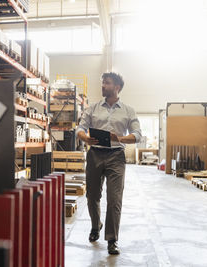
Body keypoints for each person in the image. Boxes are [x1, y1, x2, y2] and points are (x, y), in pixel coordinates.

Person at [77, 72, 142, 255]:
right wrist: (85, 138)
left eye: (107, 83)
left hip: (116, 156)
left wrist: (119, 138)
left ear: (117, 87)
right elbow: (81, 128)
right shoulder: (93, 108)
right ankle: (96, 225)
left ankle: (112, 239)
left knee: (114, 199)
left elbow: (137, 134)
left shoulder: (128, 110)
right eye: (102, 83)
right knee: (92, 196)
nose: (103, 86)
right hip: (95, 154)